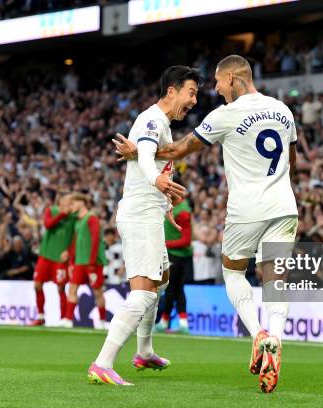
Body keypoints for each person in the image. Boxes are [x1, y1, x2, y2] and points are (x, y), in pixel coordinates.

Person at [115, 55, 298, 393]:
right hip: (285, 205)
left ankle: (257, 333)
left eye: (218, 82)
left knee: (233, 271)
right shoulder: (283, 110)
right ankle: (276, 335)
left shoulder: (226, 114)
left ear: (233, 78)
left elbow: (179, 150)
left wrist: (139, 151)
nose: (215, 89)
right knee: (276, 276)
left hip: (247, 209)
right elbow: (293, 161)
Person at [87, 66, 199, 386]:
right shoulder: (152, 119)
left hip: (148, 213)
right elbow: (148, 157)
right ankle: (103, 363)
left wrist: (165, 206)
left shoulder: (161, 123)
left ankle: (145, 352)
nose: (194, 100)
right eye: (191, 92)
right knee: (145, 292)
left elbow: (147, 158)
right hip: (139, 216)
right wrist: (158, 181)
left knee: (161, 279)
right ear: (171, 91)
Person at [60, 194, 107, 329]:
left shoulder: (92, 218)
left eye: (72, 204)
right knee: (72, 288)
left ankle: (102, 322)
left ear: (81, 203)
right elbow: (76, 242)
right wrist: (70, 256)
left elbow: (95, 240)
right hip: (80, 262)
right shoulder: (78, 221)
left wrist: (92, 262)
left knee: (97, 292)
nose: (71, 207)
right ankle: (68, 319)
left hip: (93, 263)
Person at [30, 193, 76, 326]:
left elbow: (75, 237)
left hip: (60, 259)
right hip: (45, 256)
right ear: (60, 201)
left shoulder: (73, 217)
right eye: (68, 200)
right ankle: (40, 316)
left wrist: (69, 251)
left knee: (61, 288)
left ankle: (63, 319)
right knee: (37, 285)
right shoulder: (51, 210)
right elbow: (48, 224)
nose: (70, 203)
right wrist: (62, 214)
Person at [156, 191, 193, 334]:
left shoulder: (183, 212)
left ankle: (168, 322)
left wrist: (165, 243)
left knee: (172, 288)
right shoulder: (172, 207)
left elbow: (186, 240)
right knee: (176, 289)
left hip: (178, 256)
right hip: (173, 254)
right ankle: (177, 322)